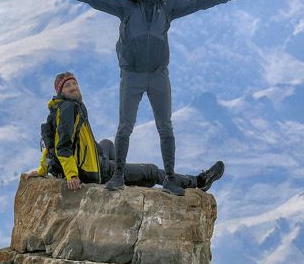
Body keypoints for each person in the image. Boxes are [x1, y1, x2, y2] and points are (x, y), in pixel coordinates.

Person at [40, 0, 255, 194]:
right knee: (131, 136)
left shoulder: (167, 6)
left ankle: (166, 176)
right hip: (132, 76)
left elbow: (199, 3)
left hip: (158, 74)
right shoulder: (124, 5)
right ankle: (193, 181)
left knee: (150, 131)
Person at [26, 71, 224, 195]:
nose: (73, 87)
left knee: (108, 144)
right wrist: (71, 176)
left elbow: (50, 144)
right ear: (60, 92)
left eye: (75, 83)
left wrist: (43, 170)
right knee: (151, 171)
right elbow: (62, 146)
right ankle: (198, 182)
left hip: (94, 158)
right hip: (94, 171)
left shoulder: (65, 107)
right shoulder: (68, 109)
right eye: (68, 86)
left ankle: (126, 175)